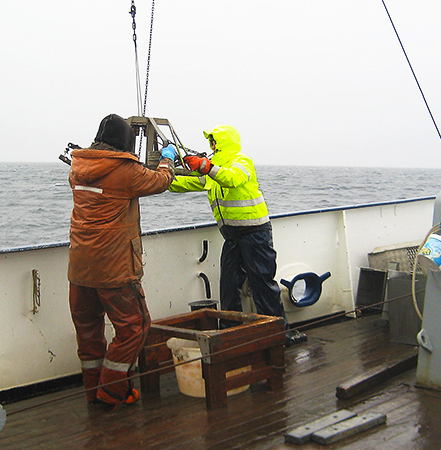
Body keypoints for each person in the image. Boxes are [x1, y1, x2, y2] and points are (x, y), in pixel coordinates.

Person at [67, 113, 176, 406]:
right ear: (125, 143)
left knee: (89, 334)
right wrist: (167, 159)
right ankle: (112, 392)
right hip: (114, 269)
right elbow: (161, 181)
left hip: (79, 268)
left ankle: (95, 392)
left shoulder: (77, 168)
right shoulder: (126, 172)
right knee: (135, 326)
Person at [169, 124, 306, 346]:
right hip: (232, 236)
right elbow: (187, 182)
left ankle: (280, 335)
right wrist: (161, 176)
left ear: (221, 142)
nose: (211, 146)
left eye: (213, 141)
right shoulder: (214, 170)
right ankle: (231, 336)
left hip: (255, 233)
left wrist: (205, 165)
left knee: (262, 283)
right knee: (229, 285)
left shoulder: (241, 161)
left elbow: (232, 178)